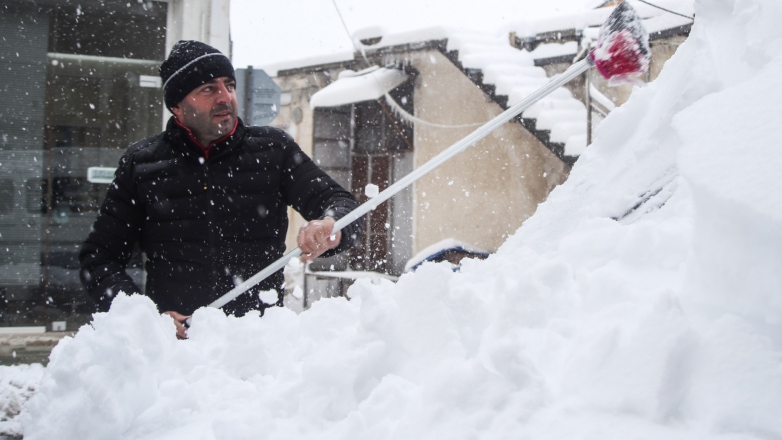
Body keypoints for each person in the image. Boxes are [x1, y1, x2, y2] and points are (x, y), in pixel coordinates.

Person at [79, 40, 363, 338]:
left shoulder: (273, 151)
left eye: (229, 85)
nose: (224, 97)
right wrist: (145, 318)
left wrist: (332, 225)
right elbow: (99, 258)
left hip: (255, 345)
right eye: (208, 89)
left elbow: (340, 203)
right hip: (175, 351)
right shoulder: (143, 164)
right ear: (177, 105)